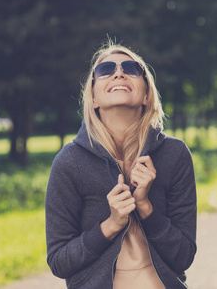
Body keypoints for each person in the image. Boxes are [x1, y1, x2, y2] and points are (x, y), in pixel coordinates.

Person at [45, 41, 197, 289]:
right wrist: (110, 225)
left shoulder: (175, 154)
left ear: (146, 95)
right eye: (105, 70)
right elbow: (59, 262)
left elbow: (184, 256)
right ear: (93, 98)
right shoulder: (69, 161)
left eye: (131, 68)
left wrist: (146, 208)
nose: (119, 73)